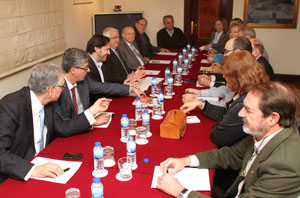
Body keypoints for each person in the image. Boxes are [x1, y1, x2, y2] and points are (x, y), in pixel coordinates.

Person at [158, 81, 300, 198]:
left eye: (248, 110)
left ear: (272, 118)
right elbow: (231, 155)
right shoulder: (265, 132)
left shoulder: (284, 165)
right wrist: (186, 161)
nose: (240, 113)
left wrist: (181, 192)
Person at [0, 63, 111, 183]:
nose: (64, 89)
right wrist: (33, 169)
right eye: (62, 86)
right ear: (51, 90)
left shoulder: (48, 103)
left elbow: (63, 128)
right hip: (17, 173)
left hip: (43, 162)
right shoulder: (10, 106)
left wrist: (92, 111)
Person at [182, 51, 269, 197]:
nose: (223, 76)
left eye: (226, 74)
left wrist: (182, 192)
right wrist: (202, 104)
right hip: (237, 157)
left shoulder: (245, 102)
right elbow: (226, 115)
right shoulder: (249, 90)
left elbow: (218, 135)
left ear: (237, 77)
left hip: (233, 172)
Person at [57, 48, 143, 120]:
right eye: (85, 68)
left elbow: (103, 87)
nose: (89, 70)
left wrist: (130, 88)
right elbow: (64, 124)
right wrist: (90, 121)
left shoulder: (84, 80)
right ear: (73, 70)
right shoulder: (58, 89)